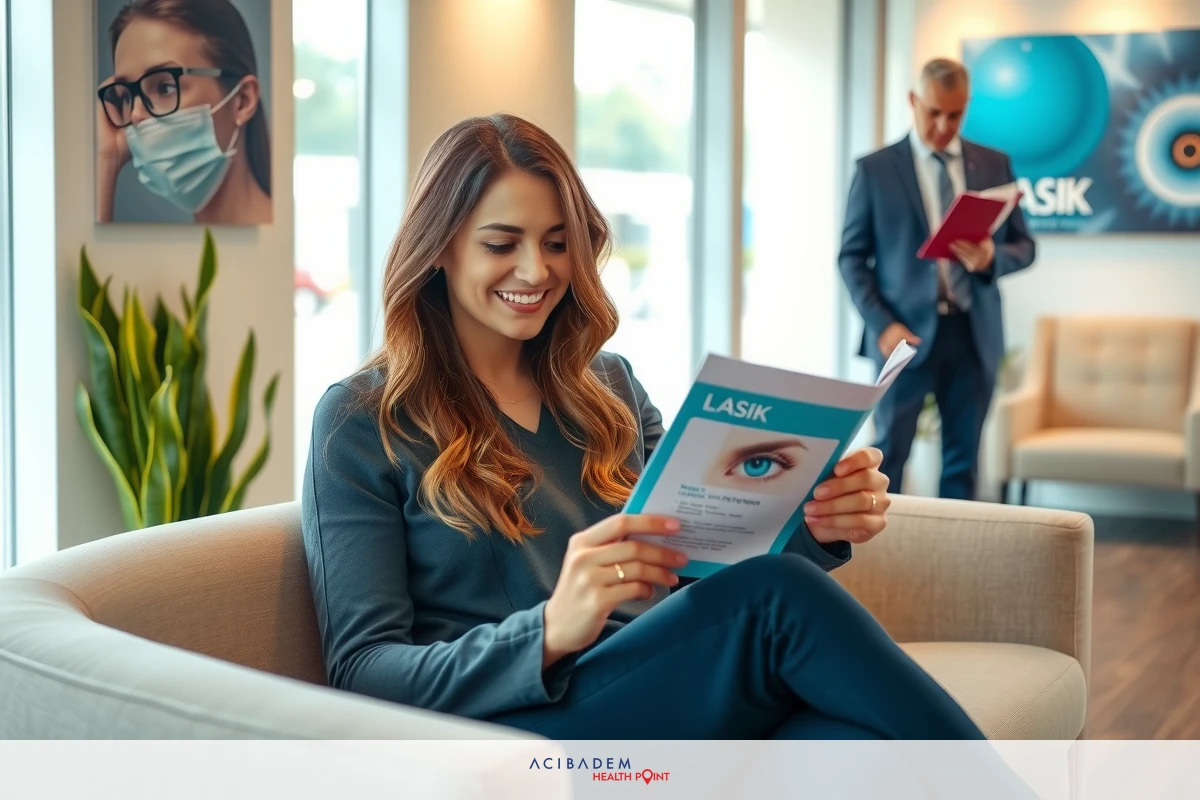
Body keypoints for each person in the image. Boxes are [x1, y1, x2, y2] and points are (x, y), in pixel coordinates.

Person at [301, 113, 984, 740]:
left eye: (557, 243)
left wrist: (815, 530)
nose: (536, 270)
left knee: (858, 743)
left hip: (660, 685)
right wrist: (544, 633)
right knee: (779, 597)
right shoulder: (360, 421)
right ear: (440, 249)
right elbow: (361, 671)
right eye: (502, 243)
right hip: (523, 724)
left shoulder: (610, 386)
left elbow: (698, 570)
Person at [839, 58, 1035, 501]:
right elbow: (851, 258)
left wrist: (990, 257)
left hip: (973, 333)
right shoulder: (875, 170)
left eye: (955, 114)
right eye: (934, 113)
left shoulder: (994, 164)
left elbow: (1025, 247)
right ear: (914, 101)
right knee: (888, 458)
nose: (944, 125)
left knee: (964, 462)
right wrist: (882, 324)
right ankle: (886, 564)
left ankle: (955, 566)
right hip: (903, 337)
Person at [96, 0, 272, 225]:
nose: (135, 115)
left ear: (243, 101)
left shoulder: (296, 249)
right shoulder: (174, 255)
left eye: (164, 87)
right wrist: (105, 159)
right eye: (127, 97)